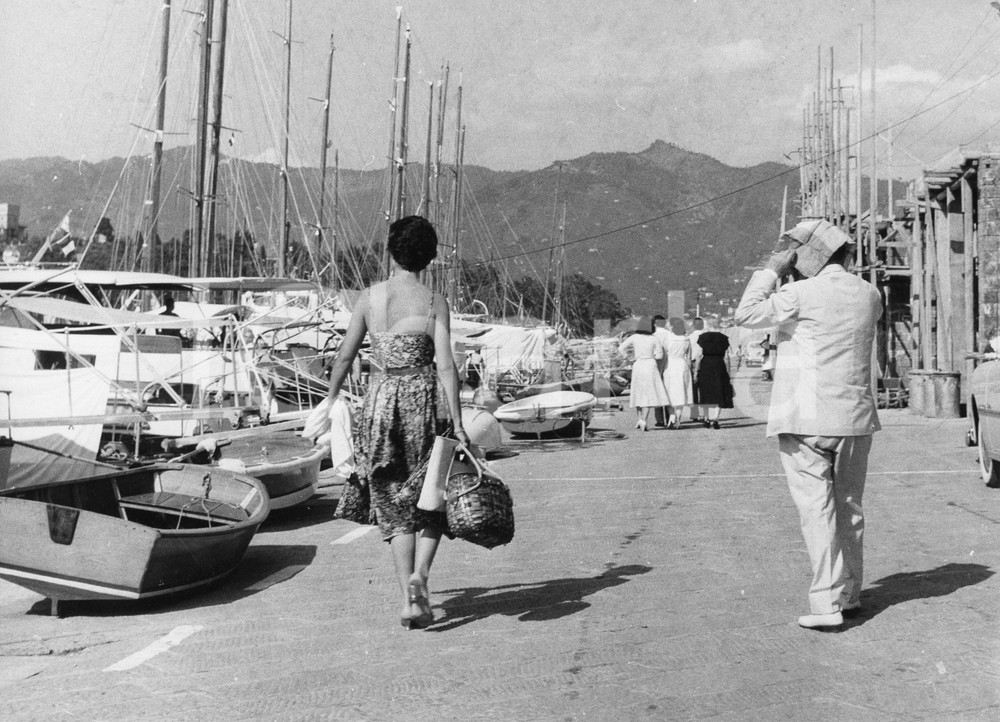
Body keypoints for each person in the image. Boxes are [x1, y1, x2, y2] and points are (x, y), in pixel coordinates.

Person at [734, 218, 882, 632]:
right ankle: (850, 593)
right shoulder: (869, 294)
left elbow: (746, 314)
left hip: (805, 417)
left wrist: (772, 270)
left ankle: (825, 602)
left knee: (816, 511)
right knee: (850, 507)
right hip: (854, 416)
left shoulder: (798, 293)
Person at [324, 216, 469, 631]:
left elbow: (345, 357)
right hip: (426, 402)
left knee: (391, 498)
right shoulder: (434, 301)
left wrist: (330, 399)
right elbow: (446, 365)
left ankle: (407, 592)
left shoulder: (370, 298)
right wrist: (457, 421)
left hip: (383, 403)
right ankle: (421, 576)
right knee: (430, 494)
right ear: (430, 257)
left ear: (391, 251)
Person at [618, 316, 669, 431]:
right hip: (650, 365)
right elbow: (659, 356)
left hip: (638, 364)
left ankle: (639, 419)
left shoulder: (634, 337)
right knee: (648, 393)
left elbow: (621, 348)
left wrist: (628, 358)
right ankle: (643, 420)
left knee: (638, 392)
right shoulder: (654, 339)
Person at [694, 323, 733, 429]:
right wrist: (728, 372)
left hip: (706, 366)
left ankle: (706, 418)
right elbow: (726, 358)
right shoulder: (723, 339)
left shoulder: (703, 339)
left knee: (706, 393)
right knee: (719, 392)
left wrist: (696, 371)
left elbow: (698, 356)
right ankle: (715, 419)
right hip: (719, 366)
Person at [662, 317, 693, 429]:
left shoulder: (668, 338)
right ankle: (678, 419)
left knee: (669, 391)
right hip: (682, 365)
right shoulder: (686, 339)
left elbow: (664, 354)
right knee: (681, 392)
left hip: (670, 365)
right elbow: (689, 357)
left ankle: (671, 416)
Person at [651, 315, 671, 427]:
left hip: (656, 365)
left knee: (657, 392)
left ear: (654, 324)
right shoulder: (670, 335)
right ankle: (669, 417)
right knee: (668, 392)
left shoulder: (653, 336)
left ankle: (659, 419)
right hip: (669, 365)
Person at [688, 317, 706, 420]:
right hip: (704, 363)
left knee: (693, 390)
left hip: (693, 363)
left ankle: (694, 413)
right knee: (704, 390)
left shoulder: (690, 337)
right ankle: (705, 413)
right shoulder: (706, 336)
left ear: (693, 326)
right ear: (703, 325)